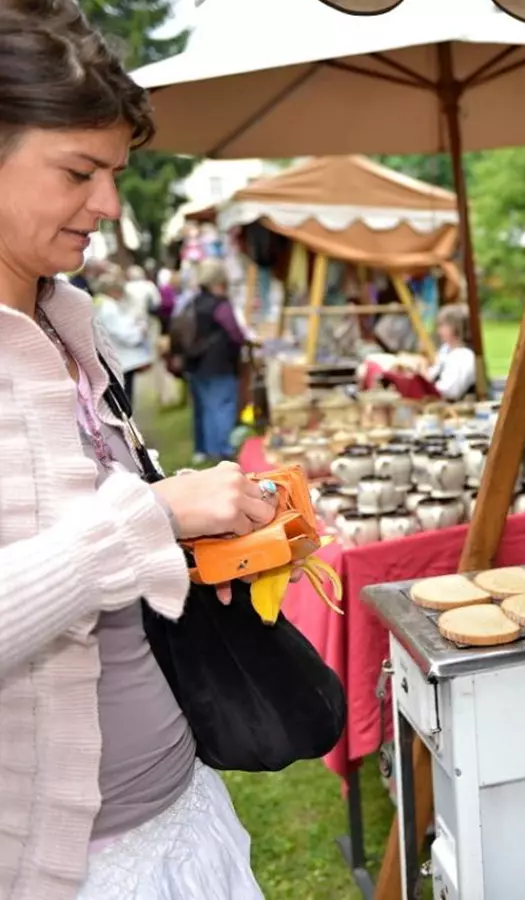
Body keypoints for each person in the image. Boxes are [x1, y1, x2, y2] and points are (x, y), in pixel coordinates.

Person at [0, 3, 273, 897]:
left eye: (115, 171)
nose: (111, 204)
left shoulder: (70, 323)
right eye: (80, 170)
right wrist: (151, 515)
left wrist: (197, 538)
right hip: (63, 866)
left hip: (176, 809)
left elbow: (82, 549)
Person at [179, 258, 246, 463]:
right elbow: (235, 333)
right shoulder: (221, 305)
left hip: (196, 362)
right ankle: (223, 450)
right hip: (219, 363)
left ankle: (209, 449)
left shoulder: (192, 301)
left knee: (207, 408)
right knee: (223, 406)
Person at [92, 267, 153, 409]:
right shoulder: (109, 307)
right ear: (112, 291)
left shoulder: (101, 304)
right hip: (121, 361)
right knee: (125, 402)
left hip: (116, 360)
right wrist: (140, 331)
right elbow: (124, 333)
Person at [428, 302, 477, 401]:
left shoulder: (464, 356)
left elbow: (451, 391)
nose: (439, 331)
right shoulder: (445, 350)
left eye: (443, 326)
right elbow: (433, 375)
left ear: (456, 327)